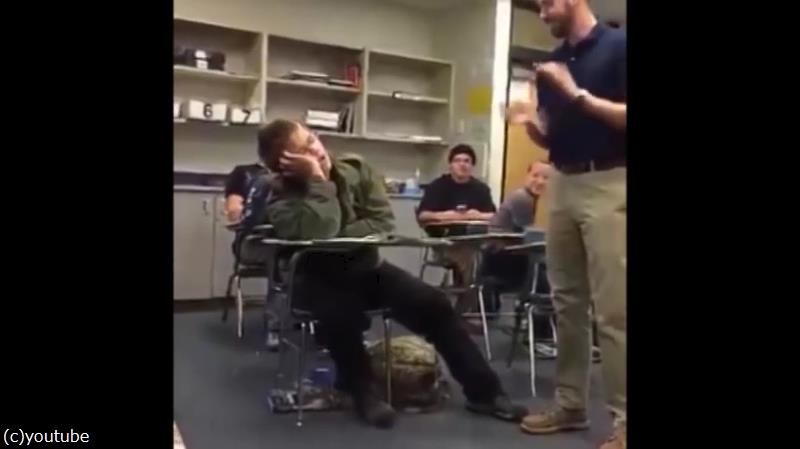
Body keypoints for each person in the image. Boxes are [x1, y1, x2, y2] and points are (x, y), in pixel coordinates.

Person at [257, 119, 528, 429]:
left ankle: (485, 393)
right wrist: (318, 181)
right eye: (303, 152)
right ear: (286, 167)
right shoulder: (280, 199)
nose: (316, 150)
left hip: (366, 267)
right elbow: (323, 229)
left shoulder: (355, 170)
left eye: (312, 139)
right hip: (318, 276)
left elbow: (382, 223)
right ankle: (363, 393)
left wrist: (337, 237)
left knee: (434, 304)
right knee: (340, 317)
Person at [506, 1, 627, 447]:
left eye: (548, 3)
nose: (542, 13)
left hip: (611, 181)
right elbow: (553, 134)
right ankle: (571, 406)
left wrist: (575, 93)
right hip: (563, 182)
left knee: (615, 310)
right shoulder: (553, 64)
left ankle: (625, 420)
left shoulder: (619, 46)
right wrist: (528, 124)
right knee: (566, 303)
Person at [417, 145, 496, 316]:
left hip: (475, 240)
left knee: (487, 253)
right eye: (457, 160)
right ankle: (466, 310)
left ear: (472, 166)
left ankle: (477, 306)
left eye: (467, 161)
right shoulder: (438, 186)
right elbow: (423, 215)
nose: (462, 164)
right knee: (472, 257)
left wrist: (476, 215)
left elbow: (494, 216)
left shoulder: (481, 189)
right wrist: (447, 216)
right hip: (444, 242)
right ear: (450, 165)